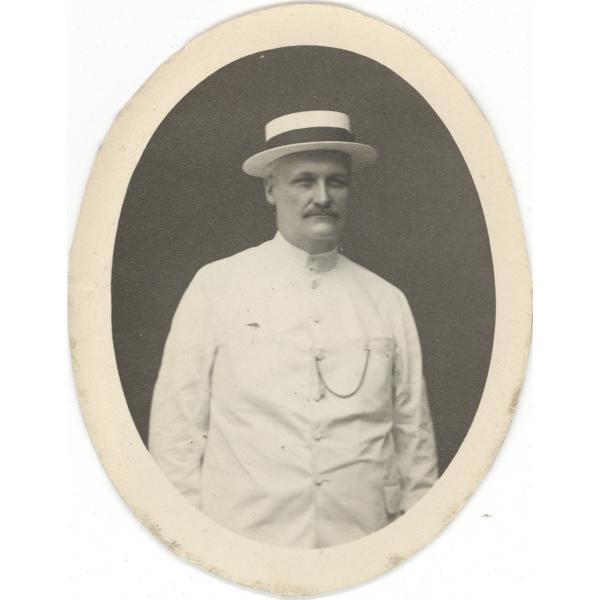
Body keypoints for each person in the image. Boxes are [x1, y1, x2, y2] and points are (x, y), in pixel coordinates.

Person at [148, 110, 439, 548]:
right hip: (244, 541)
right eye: (304, 180)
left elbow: (414, 440)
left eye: (336, 182)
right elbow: (177, 432)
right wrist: (195, 548)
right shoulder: (217, 286)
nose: (322, 197)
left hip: (360, 540)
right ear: (271, 189)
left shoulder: (386, 300)